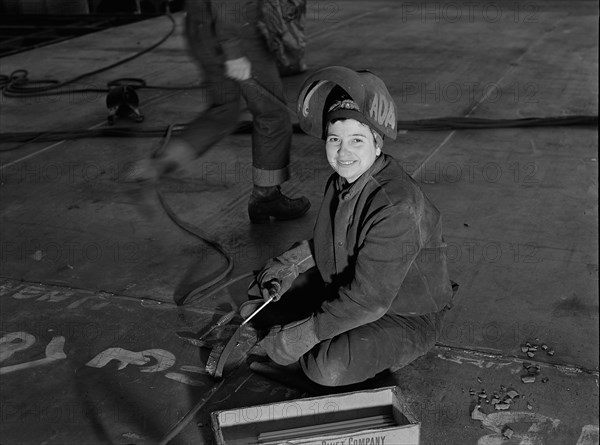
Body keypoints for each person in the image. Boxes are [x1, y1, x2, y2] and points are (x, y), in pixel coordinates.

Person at [245, 66, 456, 386]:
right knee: (258, 296)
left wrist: (300, 336)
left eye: (356, 139)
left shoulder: (397, 207)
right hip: (357, 288)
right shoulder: (344, 180)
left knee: (327, 367)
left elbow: (368, 301)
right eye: (334, 139)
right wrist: (290, 264)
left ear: (377, 143)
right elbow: (333, 241)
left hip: (405, 316)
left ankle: (308, 342)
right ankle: (303, 331)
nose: (343, 152)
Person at [128, 0, 310, 223]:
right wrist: (233, 49)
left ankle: (156, 166)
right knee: (272, 114)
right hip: (235, 30)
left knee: (223, 112)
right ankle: (266, 196)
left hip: (202, 28)